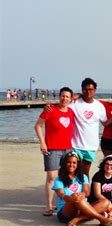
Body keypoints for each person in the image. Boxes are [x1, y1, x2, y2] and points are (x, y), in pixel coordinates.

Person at [34, 87, 75, 216]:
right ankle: (49, 206)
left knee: (64, 177)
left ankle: (62, 204)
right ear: (59, 96)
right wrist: (43, 142)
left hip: (67, 148)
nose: (64, 98)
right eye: (62, 96)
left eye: (67, 96)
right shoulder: (50, 109)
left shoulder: (71, 112)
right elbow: (38, 126)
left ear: (70, 99)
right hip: (52, 148)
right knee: (51, 177)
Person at [52, 152, 112, 226]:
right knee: (76, 198)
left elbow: (87, 192)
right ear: (64, 163)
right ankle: (102, 219)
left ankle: (76, 220)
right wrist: (72, 198)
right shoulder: (58, 179)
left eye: (74, 163)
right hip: (66, 212)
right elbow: (61, 195)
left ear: (77, 164)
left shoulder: (83, 176)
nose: (71, 165)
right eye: (69, 162)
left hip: (82, 208)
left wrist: (81, 194)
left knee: (105, 202)